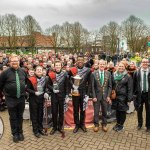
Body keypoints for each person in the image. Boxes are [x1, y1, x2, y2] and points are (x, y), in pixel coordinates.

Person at [0, 54, 27, 142]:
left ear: (19, 62)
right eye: (13, 61)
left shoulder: (23, 71)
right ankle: (15, 134)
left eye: (16, 61)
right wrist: (4, 94)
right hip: (10, 99)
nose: (15, 62)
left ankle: (20, 132)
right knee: (13, 117)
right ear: (9, 63)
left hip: (21, 98)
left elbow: (25, 82)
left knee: (20, 116)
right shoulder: (5, 73)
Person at [69, 55, 91, 133]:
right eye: (79, 60)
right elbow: (69, 80)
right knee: (75, 109)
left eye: (82, 60)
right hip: (75, 92)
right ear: (77, 61)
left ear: (84, 61)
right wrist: (73, 86)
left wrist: (87, 94)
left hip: (83, 92)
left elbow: (90, 83)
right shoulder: (72, 70)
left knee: (83, 109)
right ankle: (77, 125)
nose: (80, 61)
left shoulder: (88, 70)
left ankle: (82, 124)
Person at [46, 61, 69, 135]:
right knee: (54, 111)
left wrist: (67, 95)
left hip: (62, 96)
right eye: (56, 65)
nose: (58, 66)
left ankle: (60, 127)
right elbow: (48, 85)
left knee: (61, 112)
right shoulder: (51, 74)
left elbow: (67, 85)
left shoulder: (65, 74)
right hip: (54, 96)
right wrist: (52, 89)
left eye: (59, 65)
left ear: (61, 66)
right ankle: (54, 127)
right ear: (54, 67)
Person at [91, 59, 112, 132]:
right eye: (100, 64)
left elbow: (110, 86)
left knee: (104, 111)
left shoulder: (108, 73)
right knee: (96, 112)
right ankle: (96, 125)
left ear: (105, 65)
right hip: (96, 97)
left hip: (105, 96)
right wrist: (93, 96)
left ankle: (104, 124)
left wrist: (109, 96)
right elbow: (92, 86)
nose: (102, 65)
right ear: (98, 65)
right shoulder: (94, 73)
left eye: (103, 64)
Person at [112, 62, 133, 132]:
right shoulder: (114, 74)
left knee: (122, 112)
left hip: (123, 97)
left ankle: (121, 125)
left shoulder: (128, 76)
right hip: (115, 96)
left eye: (122, 66)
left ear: (125, 67)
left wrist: (129, 99)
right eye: (119, 66)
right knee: (117, 111)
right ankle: (117, 123)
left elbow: (130, 88)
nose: (121, 67)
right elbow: (112, 85)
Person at [27, 66, 46, 138]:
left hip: (41, 99)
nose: (39, 71)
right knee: (34, 115)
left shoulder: (44, 79)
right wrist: (34, 92)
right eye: (37, 70)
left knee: (40, 115)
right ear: (35, 71)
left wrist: (46, 93)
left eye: (40, 70)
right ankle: (35, 130)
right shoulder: (31, 79)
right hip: (33, 100)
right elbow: (27, 89)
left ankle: (40, 129)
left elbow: (45, 88)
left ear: (42, 71)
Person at [133, 58, 150, 132]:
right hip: (140, 94)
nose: (145, 63)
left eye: (146, 62)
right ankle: (140, 124)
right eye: (143, 62)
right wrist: (134, 94)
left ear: (148, 63)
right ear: (141, 63)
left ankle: (148, 126)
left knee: (148, 111)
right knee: (139, 110)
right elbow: (134, 84)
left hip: (148, 94)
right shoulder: (137, 72)